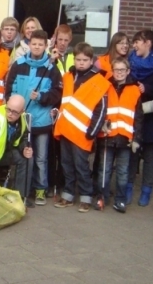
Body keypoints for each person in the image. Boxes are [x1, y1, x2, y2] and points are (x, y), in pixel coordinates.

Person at [53, 42, 111, 213]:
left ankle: (86, 196)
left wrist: (92, 132)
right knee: (66, 164)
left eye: (85, 60)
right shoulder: (69, 76)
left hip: (83, 132)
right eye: (78, 59)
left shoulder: (99, 81)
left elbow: (101, 110)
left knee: (81, 166)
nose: (81, 63)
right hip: (65, 129)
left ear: (91, 60)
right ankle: (68, 195)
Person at [6, 29, 62, 206]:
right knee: (23, 155)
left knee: (41, 157)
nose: (37, 47)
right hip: (22, 118)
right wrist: (14, 107)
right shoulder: (19, 64)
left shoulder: (52, 68)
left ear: (46, 46)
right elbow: (9, 88)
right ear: (28, 44)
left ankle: (40, 189)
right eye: (34, 43)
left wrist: (41, 97)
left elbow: (57, 93)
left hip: (42, 120)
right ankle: (23, 189)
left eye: (40, 44)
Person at [94, 57, 143, 213]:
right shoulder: (106, 87)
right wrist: (101, 125)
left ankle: (120, 200)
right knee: (104, 170)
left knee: (122, 171)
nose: (119, 73)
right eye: (116, 70)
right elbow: (99, 110)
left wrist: (137, 138)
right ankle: (102, 197)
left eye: (122, 70)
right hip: (107, 135)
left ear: (128, 71)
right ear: (112, 71)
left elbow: (139, 118)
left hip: (125, 138)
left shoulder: (135, 89)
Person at [126, 29, 153, 206]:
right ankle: (128, 188)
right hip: (133, 115)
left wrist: (146, 89)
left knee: (150, 156)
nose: (134, 45)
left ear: (148, 42)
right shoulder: (130, 63)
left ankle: (146, 191)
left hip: (152, 116)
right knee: (132, 154)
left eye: (137, 42)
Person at [47, 24, 74, 198]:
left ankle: (64, 182)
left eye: (66, 40)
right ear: (55, 39)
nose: (62, 43)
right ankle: (50, 183)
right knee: (51, 148)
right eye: (60, 40)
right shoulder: (50, 55)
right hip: (53, 105)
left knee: (65, 149)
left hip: (68, 107)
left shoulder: (72, 57)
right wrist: (51, 60)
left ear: (70, 40)